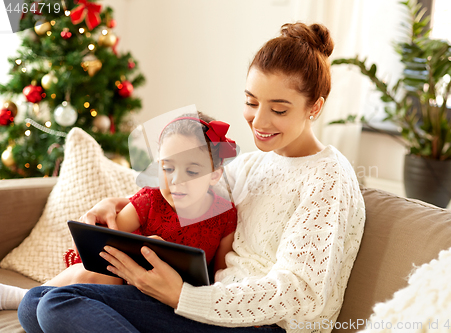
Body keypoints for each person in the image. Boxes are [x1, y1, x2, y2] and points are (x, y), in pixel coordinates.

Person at [18, 22, 366, 333]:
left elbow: (298, 291)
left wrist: (182, 295)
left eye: (278, 109)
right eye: (250, 102)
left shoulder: (328, 178)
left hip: (259, 323)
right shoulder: (252, 165)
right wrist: (118, 202)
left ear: (315, 108)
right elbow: (187, 189)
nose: (258, 122)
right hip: (207, 303)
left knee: (56, 304)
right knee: (33, 304)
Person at [0, 112, 237, 311]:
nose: (176, 180)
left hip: (170, 299)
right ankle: (27, 297)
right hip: (122, 283)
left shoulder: (225, 216)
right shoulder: (150, 199)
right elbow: (105, 244)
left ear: (214, 175)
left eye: (192, 172)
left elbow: (219, 277)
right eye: (168, 168)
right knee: (100, 274)